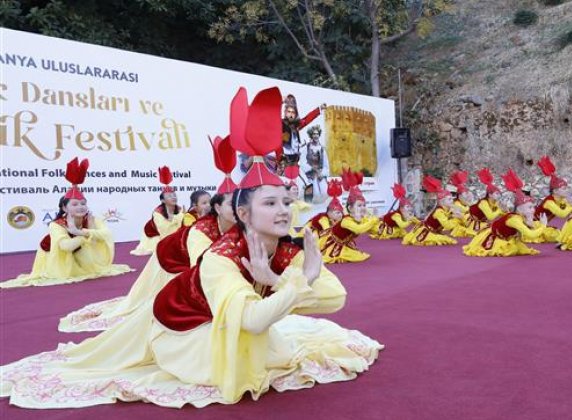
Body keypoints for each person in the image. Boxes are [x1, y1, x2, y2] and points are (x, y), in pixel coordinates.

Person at [0, 86, 382, 409]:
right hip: (188, 326)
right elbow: (252, 317)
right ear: (242, 212)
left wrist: (287, 281)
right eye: (271, 203)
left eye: (286, 201)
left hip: (238, 310)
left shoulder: (289, 246)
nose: (284, 210)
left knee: (278, 348)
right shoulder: (219, 253)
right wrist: (293, 285)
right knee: (239, 365)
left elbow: (334, 297)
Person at [58, 137, 240, 333]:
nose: (240, 209)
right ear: (217, 207)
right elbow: (199, 264)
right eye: (233, 204)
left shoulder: (194, 214)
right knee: (157, 304)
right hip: (169, 261)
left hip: (185, 255)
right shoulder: (194, 226)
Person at [1, 158, 132, 288]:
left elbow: (106, 234)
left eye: (83, 203)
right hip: (58, 258)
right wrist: (84, 234)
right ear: (64, 208)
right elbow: (66, 246)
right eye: (75, 204)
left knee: (94, 260)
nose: (80, 207)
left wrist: (79, 232)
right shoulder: (57, 224)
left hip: (79, 250)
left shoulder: (91, 219)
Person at [463, 169, 546, 257]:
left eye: (533, 207)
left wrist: (532, 223)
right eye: (530, 207)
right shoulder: (514, 219)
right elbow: (531, 235)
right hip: (494, 235)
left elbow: (527, 233)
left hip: (506, 236)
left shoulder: (520, 216)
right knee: (512, 250)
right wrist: (543, 225)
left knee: (518, 248)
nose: (533, 210)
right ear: (520, 209)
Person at [318, 170, 379, 263]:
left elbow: (374, 230)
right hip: (334, 243)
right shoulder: (346, 221)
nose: (363, 208)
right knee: (357, 257)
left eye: (364, 205)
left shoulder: (362, 219)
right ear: (350, 208)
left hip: (345, 243)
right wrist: (373, 220)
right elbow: (359, 229)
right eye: (359, 205)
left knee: (360, 256)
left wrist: (375, 225)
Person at [130, 166, 185, 256]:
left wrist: (180, 217)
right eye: (170, 196)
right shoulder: (158, 212)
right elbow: (164, 230)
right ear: (163, 200)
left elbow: (182, 225)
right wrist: (178, 217)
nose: (173, 197)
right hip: (156, 235)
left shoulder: (179, 209)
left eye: (174, 195)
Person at [528, 155, 572, 243]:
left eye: (567, 188)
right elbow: (562, 214)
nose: (567, 190)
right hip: (533, 225)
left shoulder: (561, 200)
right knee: (560, 236)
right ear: (555, 191)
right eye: (564, 188)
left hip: (543, 225)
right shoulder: (549, 202)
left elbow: (570, 209)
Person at [402, 175, 461, 246]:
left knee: (447, 240)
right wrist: (457, 218)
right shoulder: (439, 212)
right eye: (449, 199)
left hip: (434, 231)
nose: (452, 201)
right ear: (442, 202)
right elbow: (447, 226)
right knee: (449, 240)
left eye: (452, 199)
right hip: (427, 231)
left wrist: (457, 215)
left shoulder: (448, 209)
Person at [281, 94, 325, 171]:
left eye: (293, 112)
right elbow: (273, 114)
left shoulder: (296, 125)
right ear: (285, 112)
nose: (291, 114)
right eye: (289, 112)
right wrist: (280, 102)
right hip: (284, 160)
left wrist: (318, 110)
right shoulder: (281, 124)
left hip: (295, 159)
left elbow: (307, 119)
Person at [464, 168, 505, 236]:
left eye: (499, 193)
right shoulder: (483, 203)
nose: (499, 195)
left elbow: (501, 213)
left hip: (483, 222)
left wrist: (506, 212)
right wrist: (500, 210)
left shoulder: (495, 202)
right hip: (473, 222)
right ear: (490, 194)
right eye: (497, 193)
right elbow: (490, 217)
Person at [283, 165, 312, 237]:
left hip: (297, 232)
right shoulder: (284, 204)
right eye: (294, 189)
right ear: (287, 192)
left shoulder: (300, 204)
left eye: (297, 190)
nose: (296, 191)